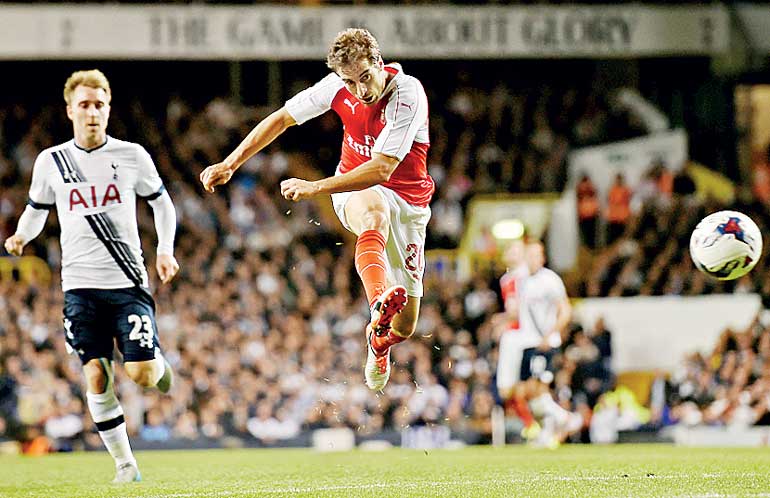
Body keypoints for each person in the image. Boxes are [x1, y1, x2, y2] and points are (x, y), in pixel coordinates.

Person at [200, 28, 433, 391]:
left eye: (366, 78)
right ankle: (377, 306)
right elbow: (281, 119)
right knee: (374, 214)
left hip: (408, 202)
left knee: (405, 327)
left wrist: (316, 187)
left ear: (379, 63)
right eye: (350, 82)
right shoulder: (335, 86)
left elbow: (383, 168)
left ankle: (379, 341)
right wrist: (231, 163)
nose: (360, 91)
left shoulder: (407, 94)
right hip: (357, 190)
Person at [3, 69, 179, 483]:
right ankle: (125, 465)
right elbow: (36, 208)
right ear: (70, 110)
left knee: (142, 375)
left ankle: (158, 364)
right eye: (84, 105)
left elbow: (163, 204)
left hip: (128, 283)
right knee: (97, 373)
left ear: (109, 108)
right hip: (79, 287)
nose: (93, 112)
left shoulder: (131, 155)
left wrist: (165, 251)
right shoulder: (52, 161)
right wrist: (21, 236)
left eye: (100, 104)